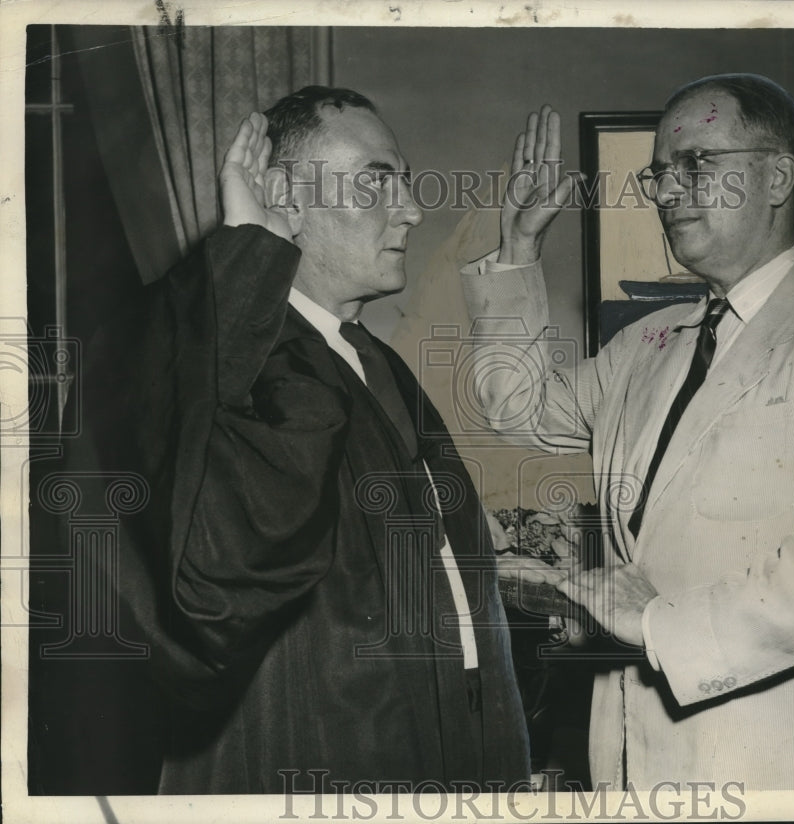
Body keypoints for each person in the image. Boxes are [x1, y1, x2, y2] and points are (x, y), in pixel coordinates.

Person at [461, 73, 794, 789]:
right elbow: (516, 406)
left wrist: (658, 624)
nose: (668, 191)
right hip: (633, 762)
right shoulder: (649, 342)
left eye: (697, 164)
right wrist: (519, 247)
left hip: (779, 769)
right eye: (659, 173)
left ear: (778, 177)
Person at [79, 86, 529, 793]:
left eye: (405, 181)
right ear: (287, 200)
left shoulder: (373, 360)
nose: (412, 209)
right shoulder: (222, 358)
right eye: (377, 182)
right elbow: (213, 576)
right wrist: (249, 257)